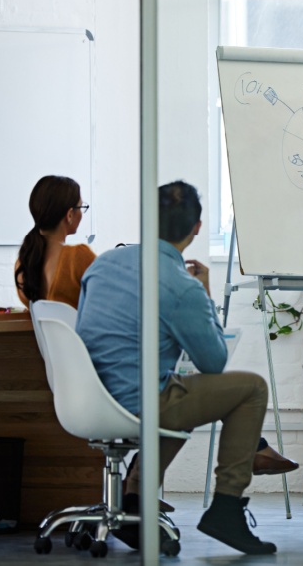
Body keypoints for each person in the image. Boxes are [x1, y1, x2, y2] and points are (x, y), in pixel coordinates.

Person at [76, 181, 275, 555]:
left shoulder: (101, 265)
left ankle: (135, 499)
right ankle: (227, 507)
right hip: (136, 402)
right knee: (251, 388)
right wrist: (206, 292)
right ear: (196, 227)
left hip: (86, 397)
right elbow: (214, 362)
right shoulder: (183, 287)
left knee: (175, 388)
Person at [14, 175, 95, 308]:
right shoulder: (78, 256)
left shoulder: (23, 263)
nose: (81, 213)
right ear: (69, 215)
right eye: (80, 207)